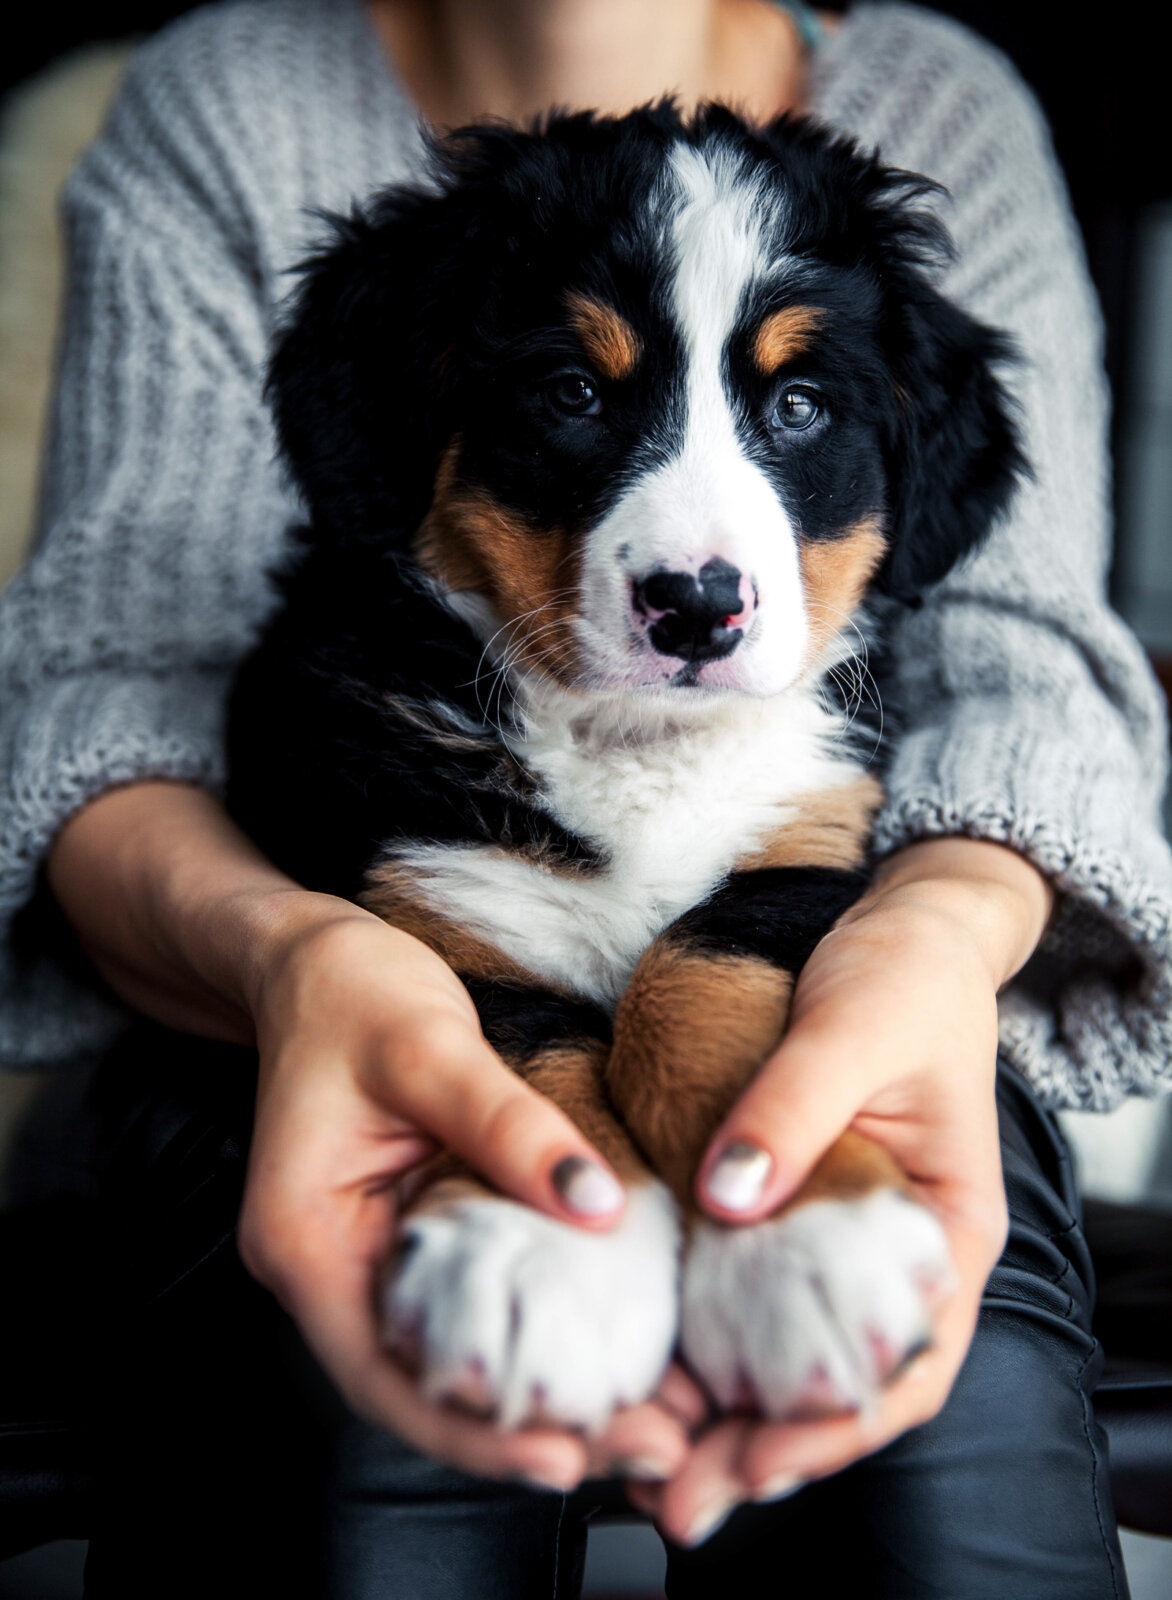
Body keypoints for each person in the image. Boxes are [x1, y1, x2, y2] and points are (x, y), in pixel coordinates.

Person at [2, 0, 1169, 1593]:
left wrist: (940, 939)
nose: (699, 556)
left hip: (869, 968)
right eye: (574, 393)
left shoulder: (936, 106)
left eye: (797, 406)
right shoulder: (233, 106)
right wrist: (303, 960)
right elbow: (113, 692)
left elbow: (1031, 670)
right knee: (369, 1405)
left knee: (935, 1406)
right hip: (282, 989)